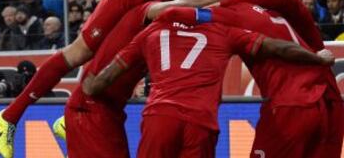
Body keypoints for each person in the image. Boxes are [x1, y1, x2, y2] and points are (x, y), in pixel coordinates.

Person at [0, 0, 324, 157]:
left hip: (168, 3)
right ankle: (8, 117)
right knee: (79, 53)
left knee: (115, 61)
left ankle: (72, 122)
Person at [0, 0, 226, 158]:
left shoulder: (158, 36)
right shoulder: (143, 12)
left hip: (109, 111)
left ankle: (66, 125)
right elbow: (177, 6)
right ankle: (46, 122)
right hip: (91, 109)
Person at [82, 9, 334, 158]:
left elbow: (101, 82)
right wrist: (315, 57)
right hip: (201, 123)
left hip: (161, 117)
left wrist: (87, 83)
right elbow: (276, 47)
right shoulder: (223, 31)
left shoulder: (151, 32)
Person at [156, 0, 344, 157]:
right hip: (328, 101)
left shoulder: (232, 14)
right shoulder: (274, 3)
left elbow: (178, 14)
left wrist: (212, 0)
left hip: (292, 103)